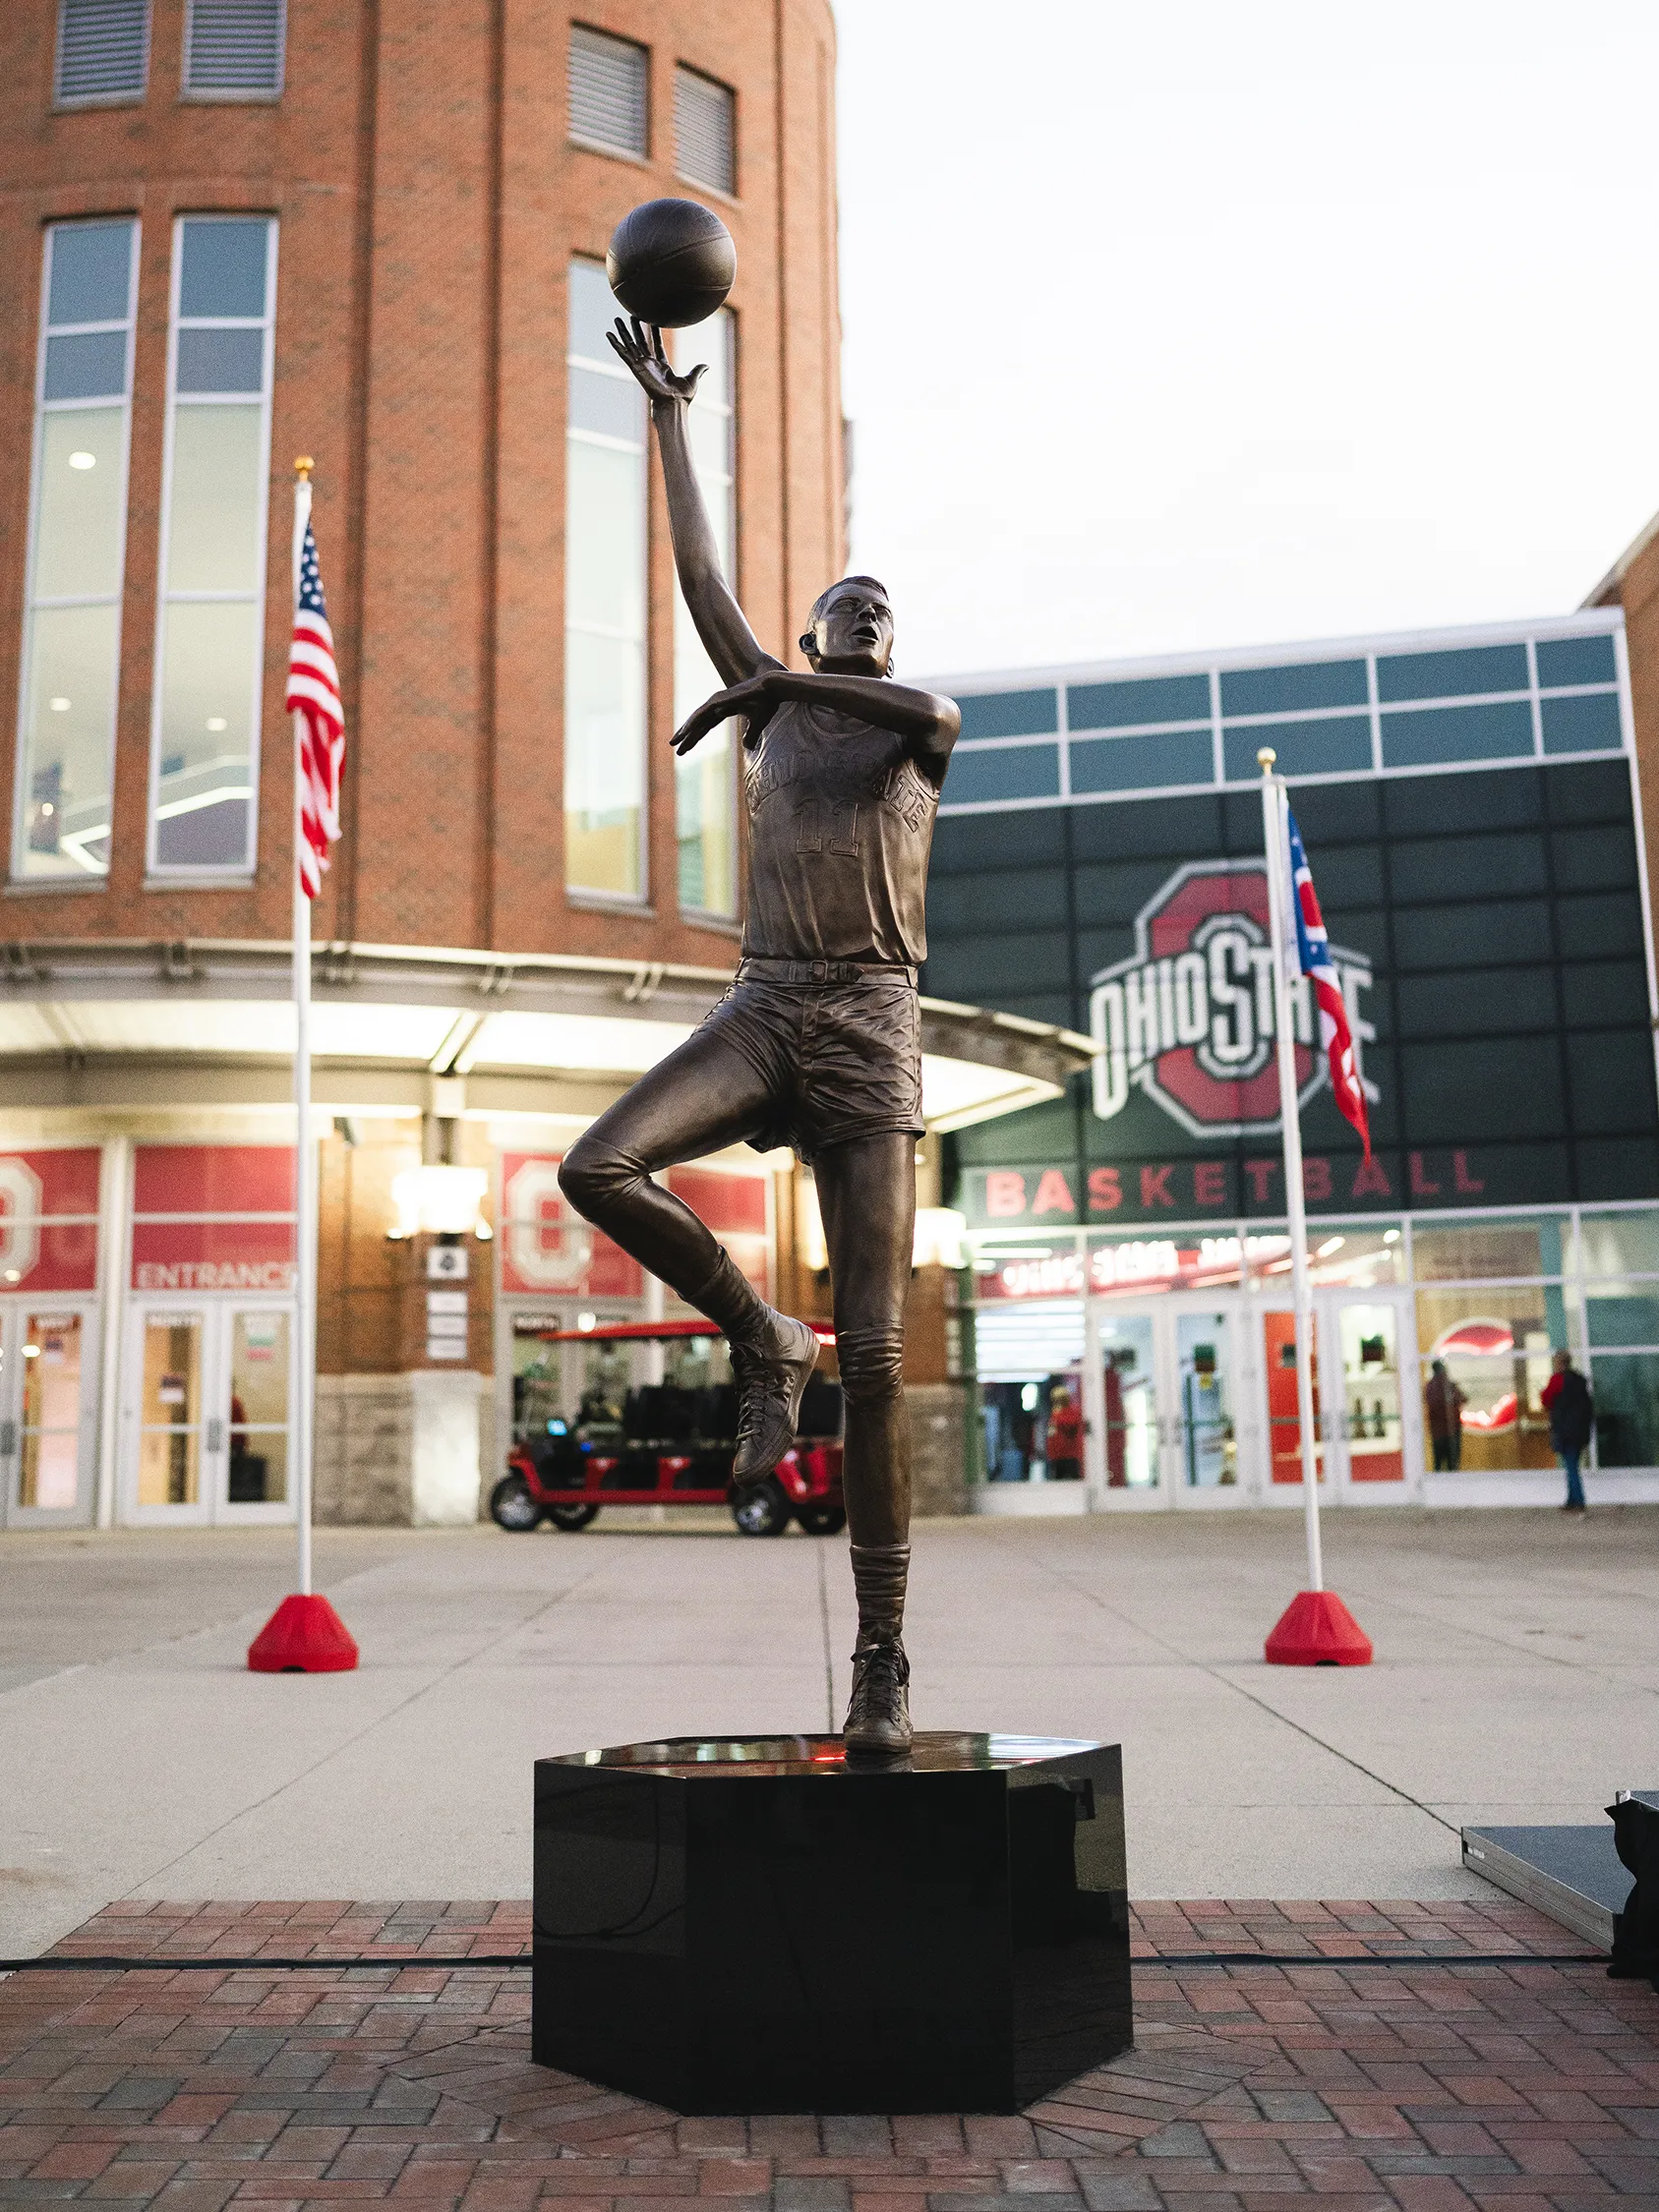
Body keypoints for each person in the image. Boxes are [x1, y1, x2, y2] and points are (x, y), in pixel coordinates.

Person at [558, 317, 961, 1756]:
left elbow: (936, 705)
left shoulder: (900, 722)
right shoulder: (775, 709)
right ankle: (754, 1332)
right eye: (837, 608)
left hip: (871, 1027)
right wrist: (666, 418)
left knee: (881, 1359)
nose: (859, 615)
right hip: (766, 999)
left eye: (875, 608)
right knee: (597, 1166)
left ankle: (883, 1651)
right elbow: (698, 578)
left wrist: (775, 684)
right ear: (806, 629)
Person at [1541, 1350, 1593, 1513]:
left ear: (1558, 1363)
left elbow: (1547, 1399)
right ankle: (1571, 1499)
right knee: (1572, 1464)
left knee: (1571, 1466)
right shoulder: (1580, 1380)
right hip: (1579, 1430)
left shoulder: (1558, 1380)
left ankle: (1578, 1501)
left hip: (1564, 1430)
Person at [1424, 1358, 1465, 1471]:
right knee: (1452, 1464)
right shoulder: (1447, 1385)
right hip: (1450, 1429)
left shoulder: (1430, 1386)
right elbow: (1462, 1399)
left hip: (1438, 1431)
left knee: (1438, 1464)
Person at [1045, 1385, 1083, 1481]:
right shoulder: (1055, 1412)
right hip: (1056, 1455)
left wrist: (1058, 1418)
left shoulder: (1071, 1412)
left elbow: (1071, 1427)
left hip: (1069, 1454)